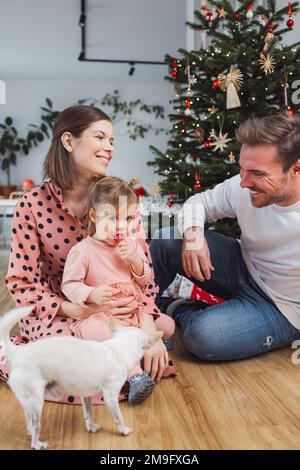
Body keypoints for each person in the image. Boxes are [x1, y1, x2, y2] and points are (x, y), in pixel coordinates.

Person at [1, 105, 174, 404]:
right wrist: (77, 309)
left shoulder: (119, 199)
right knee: (78, 365)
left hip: (120, 308)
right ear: (69, 142)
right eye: (100, 137)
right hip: (61, 312)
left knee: (153, 335)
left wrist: (146, 327)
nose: (109, 148)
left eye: (112, 141)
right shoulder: (32, 204)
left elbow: (145, 278)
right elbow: (21, 283)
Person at [150, 112, 300, 361]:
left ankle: (181, 308)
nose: (243, 182)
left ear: (295, 167)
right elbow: (199, 202)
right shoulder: (243, 185)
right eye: (242, 170)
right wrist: (194, 235)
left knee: (204, 337)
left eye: (257, 174)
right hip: (242, 265)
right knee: (167, 239)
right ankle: (142, 317)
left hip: (282, 306)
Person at [61, 176, 175, 404]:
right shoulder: (82, 251)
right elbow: (69, 285)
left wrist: (136, 261)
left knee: (168, 326)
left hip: (133, 309)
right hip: (101, 315)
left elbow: (145, 281)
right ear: (94, 216)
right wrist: (91, 294)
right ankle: (135, 376)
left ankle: (144, 345)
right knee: (102, 335)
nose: (122, 226)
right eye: (113, 218)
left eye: (128, 218)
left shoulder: (131, 246)